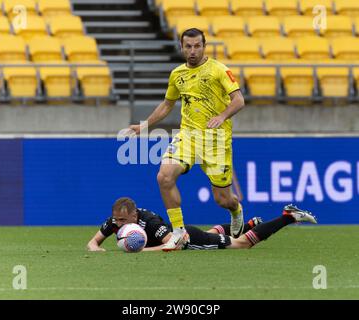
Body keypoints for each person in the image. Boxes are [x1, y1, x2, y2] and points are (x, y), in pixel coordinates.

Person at [127, 28, 247, 251]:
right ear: (181, 47)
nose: (192, 51)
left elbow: (239, 100)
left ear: (204, 46)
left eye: (197, 46)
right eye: (188, 46)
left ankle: (235, 210)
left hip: (216, 141)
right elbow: (167, 105)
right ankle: (179, 232)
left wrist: (222, 116)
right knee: (164, 177)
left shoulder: (219, 70)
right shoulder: (177, 75)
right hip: (188, 137)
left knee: (223, 199)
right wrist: (144, 125)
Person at [87, 197, 317, 252]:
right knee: (214, 233)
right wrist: (97, 249)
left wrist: (140, 251)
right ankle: (249, 224)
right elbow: (93, 242)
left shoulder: (150, 221)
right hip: (187, 233)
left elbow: (173, 246)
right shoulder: (116, 223)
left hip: (189, 240)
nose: (119, 224)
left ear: (135, 215)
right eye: (117, 220)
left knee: (241, 244)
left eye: (123, 220)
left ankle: (288, 216)